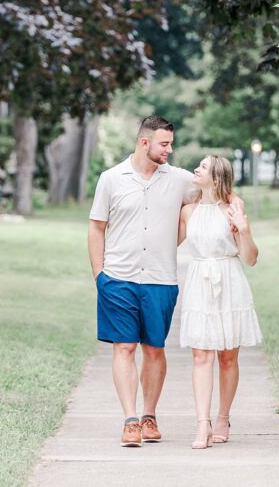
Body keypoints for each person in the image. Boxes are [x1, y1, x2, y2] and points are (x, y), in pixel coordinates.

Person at [88, 116, 243, 447]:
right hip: (117, 277)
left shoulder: (180, 180)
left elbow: (220, 189)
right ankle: (130, 420)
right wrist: (99, 274)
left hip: (161, 279)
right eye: (164, 144)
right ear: (145, 143)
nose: (170, 150)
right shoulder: (111, 179)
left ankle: (149, 415)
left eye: (170, 143)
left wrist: (237, 209)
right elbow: (96, 227)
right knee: (125, 346)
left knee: (154, 350)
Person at [177, 155, 262, 450]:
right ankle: (203, 422)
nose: (196, 169)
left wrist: (244, 227)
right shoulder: (188, 211)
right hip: (200, 280)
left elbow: (250, 258)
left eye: (202, 167)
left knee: (227, 357)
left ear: (215, 179)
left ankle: (223, 417)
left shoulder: (234, 208)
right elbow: (168, 243)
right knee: (201, 355)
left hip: (230, 280)